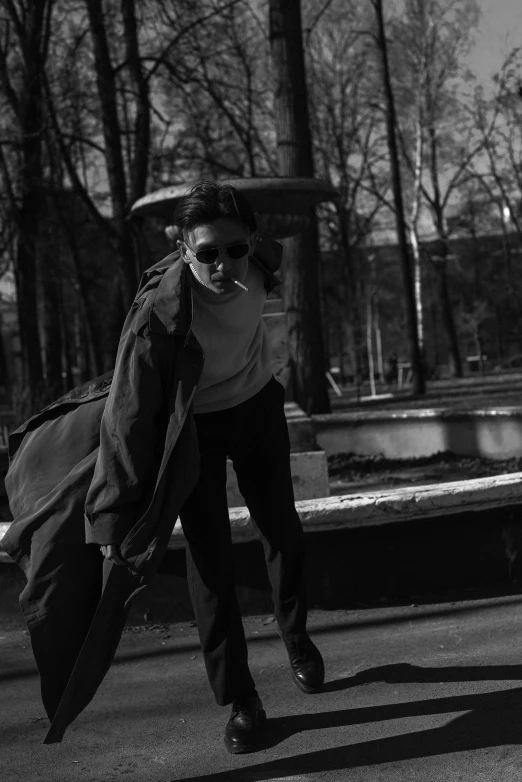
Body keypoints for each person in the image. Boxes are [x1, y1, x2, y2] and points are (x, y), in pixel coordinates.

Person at [84, 180, 324, 754]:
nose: (222, 265)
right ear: (183, 249)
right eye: (206, 253)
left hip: (258, 406)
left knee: (281, 529)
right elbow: (126, 413)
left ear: (252, 244)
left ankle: (297, 638)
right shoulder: (161, 312)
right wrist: (110, 518)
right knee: (210, 559)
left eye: (233, 250)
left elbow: (279, 250)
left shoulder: (262, 260)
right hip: (193, 427)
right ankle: (242, 699)